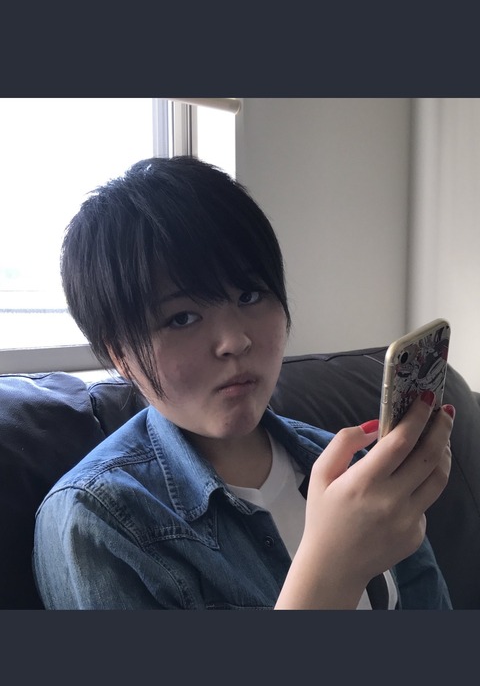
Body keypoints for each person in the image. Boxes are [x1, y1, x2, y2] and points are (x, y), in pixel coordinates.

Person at [33, 156, 454, 610]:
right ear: (120, 354)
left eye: (250, 295)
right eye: (182, 318)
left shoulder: (351, 468)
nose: (235, 340)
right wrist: (334, 567)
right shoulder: (96, 520)